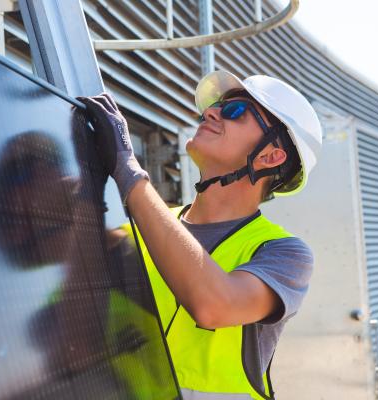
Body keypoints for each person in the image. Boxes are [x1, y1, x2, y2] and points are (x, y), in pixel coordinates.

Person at [77, 69, 323, 400]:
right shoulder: (134, 233)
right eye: (217, 106)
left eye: (235, 110)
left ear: (270, 156)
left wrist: (128, 170)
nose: (210, 112)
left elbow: (214, 306)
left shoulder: (284, 254)